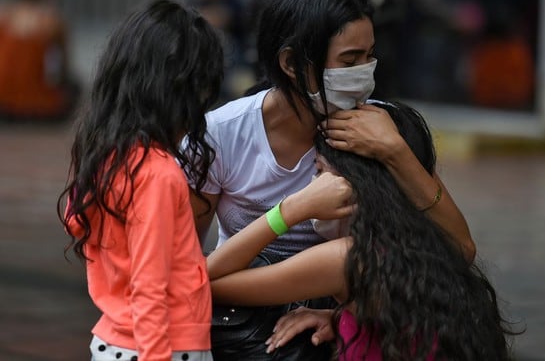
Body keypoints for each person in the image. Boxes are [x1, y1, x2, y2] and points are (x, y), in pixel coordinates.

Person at [190, 0, 476, 358]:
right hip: (246, 322)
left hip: (346, 320)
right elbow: (184, 268)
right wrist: (292, 209)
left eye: (369, 56)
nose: (364, 73)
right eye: (349, 60)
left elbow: (455, 248)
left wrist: (396, 152)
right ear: (292, 64)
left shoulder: (378, 130)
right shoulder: (222, 134)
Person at [207, 102, 515, 360]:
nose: (310, 187)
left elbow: (200, 280)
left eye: (319, 172)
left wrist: (290, 210)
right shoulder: (427, 246)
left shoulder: (345, 259)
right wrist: (341, 318)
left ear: (357, 184)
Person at [57, 0, 224, 361]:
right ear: (177, 93)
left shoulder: (106, 157)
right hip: (162, 346)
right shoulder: (158, 174)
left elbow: (75, 220)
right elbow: (150, 285)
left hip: (115, 340)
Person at [0, 0, 79, 121]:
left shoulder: (4, 17)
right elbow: (63, 69)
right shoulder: (53, 22)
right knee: (74, 89)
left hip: (3, 99)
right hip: (40, 103)